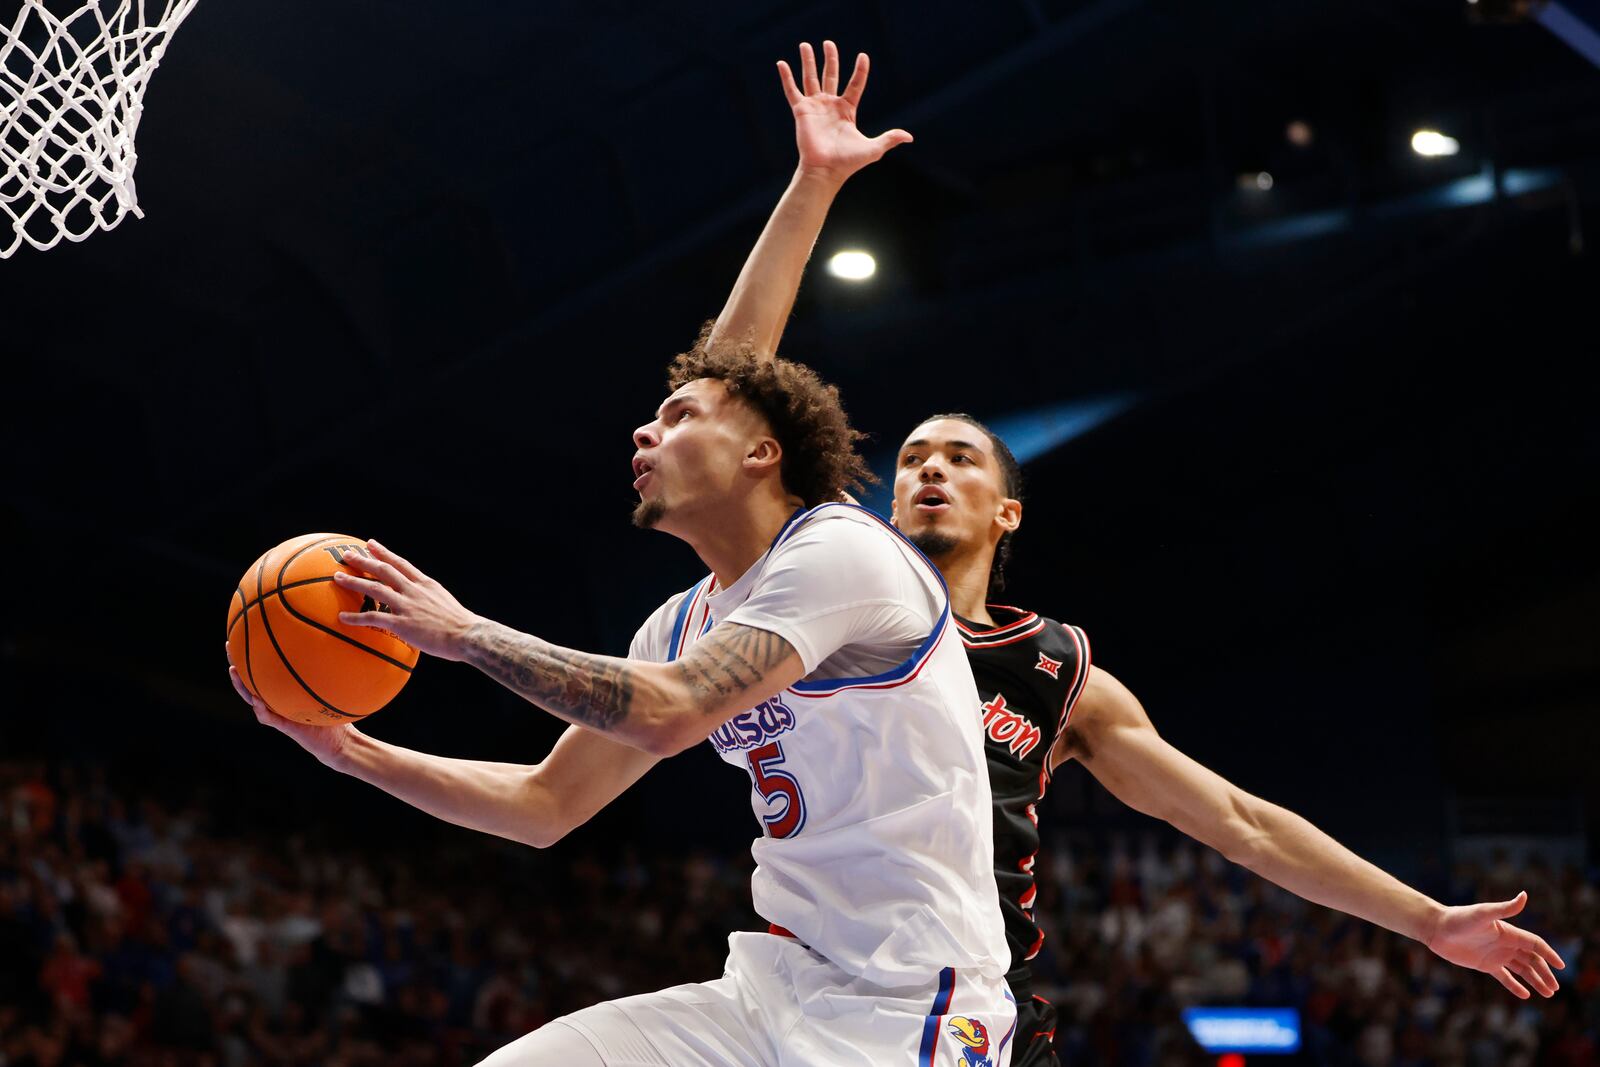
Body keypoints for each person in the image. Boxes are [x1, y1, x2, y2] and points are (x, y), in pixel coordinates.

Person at [700, 46, 1571, 1067]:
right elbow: (725, 399)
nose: (928, 468)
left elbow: (1242, 821)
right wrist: (812, 187)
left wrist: (1425, 919)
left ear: (1007, 512)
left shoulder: (1058, 674)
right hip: (800, 998)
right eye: (910, 457)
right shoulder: (828, 581)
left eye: (959, 456)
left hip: (971, 1021)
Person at [228, 42, 1020, 1067]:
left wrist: (462, 632)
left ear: (758, 452)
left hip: (914, 1001)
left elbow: (671, 708)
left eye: (674, 417)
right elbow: (546, 805)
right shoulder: (680, 622)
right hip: (771, 986)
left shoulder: (843, 558)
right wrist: (348, 749)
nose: (643, 433)